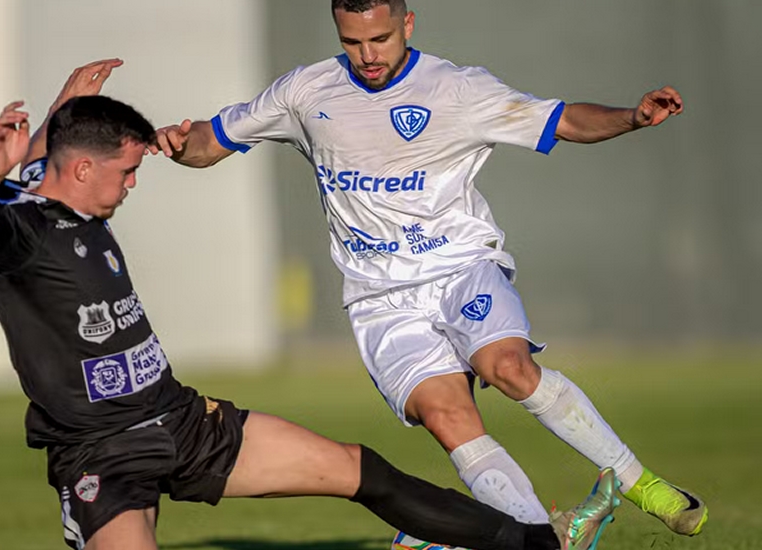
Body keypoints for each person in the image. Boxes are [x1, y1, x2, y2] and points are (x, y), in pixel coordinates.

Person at [0, 71, 619, 550]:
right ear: (81, 170)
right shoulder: (15, 229)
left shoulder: (55, 187)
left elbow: (47, 156)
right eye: (126, 171)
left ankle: (542, 544)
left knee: (363, 471)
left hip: (184, 421)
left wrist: (62, 104)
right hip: (101, 453)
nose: (132, 183)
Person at [150, 0, 708, 547]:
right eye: (352, 41)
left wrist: (632, 117)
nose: (367, 54)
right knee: (448, 415)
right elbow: (210, 142)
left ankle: (644, 485)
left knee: (509, 366)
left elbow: (562, 120)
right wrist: (181, 144)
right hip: (379, 297)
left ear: (407, 23)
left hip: (461, 265)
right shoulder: (304, 91)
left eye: (380, 38)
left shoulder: (457, 89)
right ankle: (543, 540)